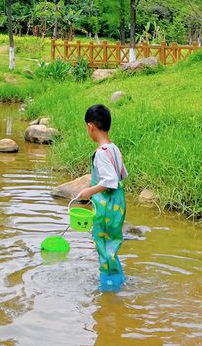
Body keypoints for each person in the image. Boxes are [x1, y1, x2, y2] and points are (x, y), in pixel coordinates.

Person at [76, 103, 127, 288]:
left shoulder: (101, 153)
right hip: (118, 204)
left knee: (103, 244)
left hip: (106, 207)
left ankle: (109, 287)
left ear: (90, 126)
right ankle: (118, 279)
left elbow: (110, 180)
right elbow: (122, 175)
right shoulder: (114, 148)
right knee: (111, 243)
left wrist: (89, 191)